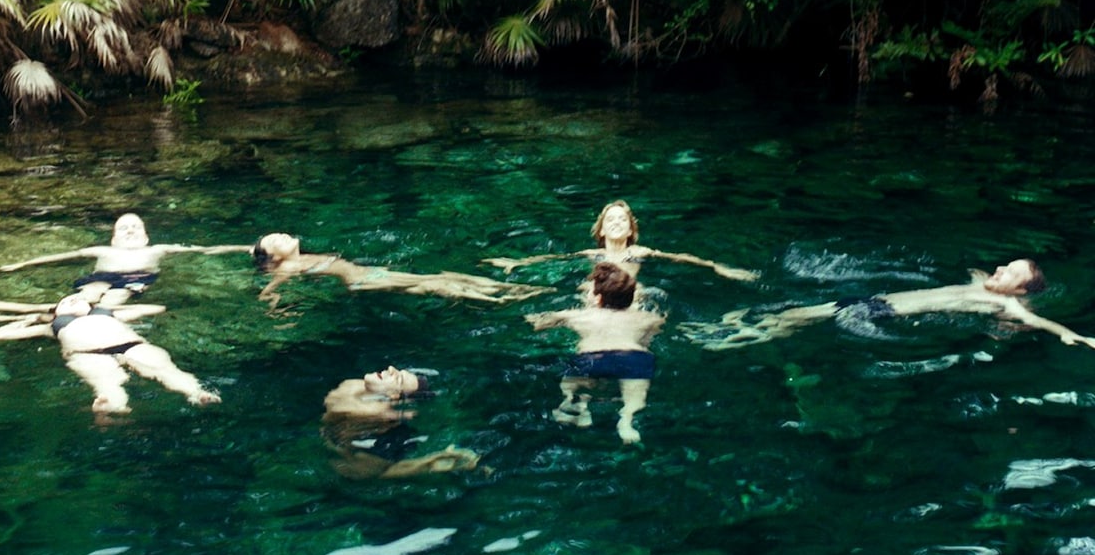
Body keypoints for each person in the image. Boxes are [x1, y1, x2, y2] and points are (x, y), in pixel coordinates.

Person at [696, 258, 1095, 350]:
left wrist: (1076, 337)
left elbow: (1042, 324)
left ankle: (730, 339)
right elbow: (977, 270)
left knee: (795, 319)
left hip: (884, 313)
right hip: (877, 302)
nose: (999, 269)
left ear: (1021, 291)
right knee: (791, 317)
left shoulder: (1010, 308)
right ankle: (736, 333)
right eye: (1004, 265)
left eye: (1009, 273)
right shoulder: (980, 282)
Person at [0, 292, 220, 413]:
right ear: (56, 314)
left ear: (91, 306)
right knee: (107, 381)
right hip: (87, 354)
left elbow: (156, 308)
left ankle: (197, 393)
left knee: (166, 370)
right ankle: (113, 406)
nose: (73, 300)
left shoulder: (109, 314)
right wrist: (28, 319)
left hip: (132, 345)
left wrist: (109, 307)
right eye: (66, 302)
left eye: (78, 299)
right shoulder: (52, 327)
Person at [525, 262, 666, 444]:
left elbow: (539, 324)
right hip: (634, 357)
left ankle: (575, 406)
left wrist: (532, 319)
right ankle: (627, 421)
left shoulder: (579, 315)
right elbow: (648, 340)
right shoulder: (649, 318)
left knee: (569, 385)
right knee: (635, 396)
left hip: (592, 357)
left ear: (598, 298)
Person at [251, 233, 548, 311]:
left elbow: (243, 249)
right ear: (275, 258)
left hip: (367, 274)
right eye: (275, 240)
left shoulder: (295, 257)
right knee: (434, 283)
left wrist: (202, 249)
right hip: (361, 280)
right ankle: (503, 297)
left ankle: (506, 291)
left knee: (441, 278)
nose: (281, 234)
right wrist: (275, 305)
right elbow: (270, 288)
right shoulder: (288, 266)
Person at [0, 213, 249, 306]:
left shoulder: (158, 249)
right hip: (101, 277)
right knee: (86, 296)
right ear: (113, 240)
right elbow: (63, 256)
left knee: (115, 299)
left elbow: (202, 249)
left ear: (146, 237)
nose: (130, 231)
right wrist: (22, 264)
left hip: (136, 279)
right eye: (123, 229)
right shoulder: (102, 251)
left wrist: (243, 247)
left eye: (135, 227)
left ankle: (101, 318)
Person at [485, 200, 758, 282]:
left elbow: (682, 258)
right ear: (601, 231)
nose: (616, 223)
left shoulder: (640, 251)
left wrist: (718, 267)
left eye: (622, 220)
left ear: (630, 231)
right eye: (610, 220)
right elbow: (554, 259)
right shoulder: (592, 255)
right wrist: (517, 263)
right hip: (597, 294)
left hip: (631, 295)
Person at [321, 366, 479, 479]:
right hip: (335, 436)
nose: (390, 369)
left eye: (398, 378)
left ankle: (436, 463)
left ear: (394, 396)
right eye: (397, 371)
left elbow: (369, 471)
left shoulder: (376, 410)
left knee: (376, 473)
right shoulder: (353, 384)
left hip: (368, 450)